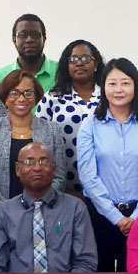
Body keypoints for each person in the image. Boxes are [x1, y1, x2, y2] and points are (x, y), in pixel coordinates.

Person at [77, 58, 138, 272]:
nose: (118, 89)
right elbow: (88, 176)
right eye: (112, 83)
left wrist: (135, 218)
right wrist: (116, 217)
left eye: (125, 83)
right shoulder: (89, 126)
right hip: (99, 214)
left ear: (135, 86)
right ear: (103, 87)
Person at [0, 142, 97, 272]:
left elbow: (86, 262)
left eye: (44, 162)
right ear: (17, 169)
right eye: (29, 161)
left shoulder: (75, 208)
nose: (37, 168)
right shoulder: (3, 213)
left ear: (54, 169)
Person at [0, 71, 67, 215]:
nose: (21, 98)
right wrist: (6, 211)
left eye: (28, 93)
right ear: (5, 98)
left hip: (44, 214)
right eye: (14, 92)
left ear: (36, 97)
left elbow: (59, 175)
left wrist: (38, 207)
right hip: (1, 215)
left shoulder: (52, 130)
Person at [36, 39, 103, 197]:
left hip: (105, 187)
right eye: (73, 59)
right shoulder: (53, 97)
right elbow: (39, 137)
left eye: (86, 58)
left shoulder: (108, 95)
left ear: (96, 65)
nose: (79, 63)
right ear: (67, 65)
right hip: (63, 187)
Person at [0, 13, 59, 95]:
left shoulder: (62, 72)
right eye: (22, 35)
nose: (29, 39)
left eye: (35, 35)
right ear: (14, 40)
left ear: (44, 38)